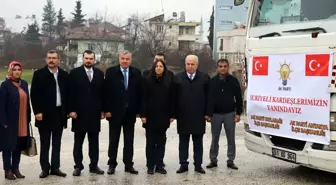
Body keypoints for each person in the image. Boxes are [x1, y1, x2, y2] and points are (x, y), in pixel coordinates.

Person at [30, 50, 68, 178]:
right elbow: (34, 95)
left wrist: (67, 111)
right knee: (45, 143)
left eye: (54, 58)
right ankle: (45, 168)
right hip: (44, 114)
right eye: (49, 58)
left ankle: (55, 167)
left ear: (58, 60)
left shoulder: (64, 75)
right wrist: (37, 112)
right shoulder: (39, 74)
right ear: (46, 60)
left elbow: (68, 95)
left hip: (59, 114)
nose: (51, 60)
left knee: (57, 143)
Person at [68, 50, 105, 176]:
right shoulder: (74, 73)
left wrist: (102, 110)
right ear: (82, 59)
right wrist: (71, 110)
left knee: (94, 142)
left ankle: (94, 165)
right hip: (79, 114)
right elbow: (70, 93)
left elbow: (102, 94)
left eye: (91, 58)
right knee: (78, 142)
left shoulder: (100, 74)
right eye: (86, 58)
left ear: (94, 60)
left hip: (94, 113)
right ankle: (78, 166)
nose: (88, 60)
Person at [104, 50, 142, 175]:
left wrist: (138, 110)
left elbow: (139, 94)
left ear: (130, 60)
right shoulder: (111, 72)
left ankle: (128, 164)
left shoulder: (136, 73)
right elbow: (106, 92)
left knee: (129, 140)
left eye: (127, 59)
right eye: (123, 58)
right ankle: (112, 164)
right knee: (113, 139)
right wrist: (107, 110)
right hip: (114, 112)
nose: (125, 61)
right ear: (119, 59)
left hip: (130, 112)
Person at [174, 55, 210, 174]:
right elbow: (173, 98)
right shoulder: (178, 78)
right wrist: (174, 114)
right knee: (183, 142)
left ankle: (198, 165)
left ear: (197, 65)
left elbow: (209, 98)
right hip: (183, 116)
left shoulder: (204, 78)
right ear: (185, 64)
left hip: (198, 116)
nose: (190, 66)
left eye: (192, 64)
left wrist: (207, 113)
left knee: (198, 143)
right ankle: (183, 164)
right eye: (188, 64)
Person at [206, 59, 242, 170]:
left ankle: (230, 160)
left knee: (231, 138)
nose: (223, 68)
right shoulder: (212, 82)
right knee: (214, 138)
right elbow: (209, 99)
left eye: (225, 66)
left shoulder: (234, 81)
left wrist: (238, 113)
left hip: (230, 114)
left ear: (228, 67)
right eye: (220, 66)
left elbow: (239, 98)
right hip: (215, 114)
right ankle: (213, 160)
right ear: (217, 67)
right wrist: (208, 114)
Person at [140, 60, 175, 175]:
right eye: (157, 66)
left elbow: (171, 99)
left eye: (161, 66)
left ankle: (159, 165)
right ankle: (150, 166)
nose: (159, 68)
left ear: (164, 68)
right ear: (154, 68)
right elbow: (143, 98)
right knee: (150, 142)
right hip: (150, 116)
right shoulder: (147, 80)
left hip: (163, 116)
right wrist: (143, 115)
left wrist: (171, 115)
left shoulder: (168, 81)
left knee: (161, 142)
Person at [0, 61, 31, 180]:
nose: (17, 72)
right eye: (15, 69)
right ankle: (7, 170)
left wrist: (28, 118)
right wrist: (3, 122)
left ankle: (15, 168)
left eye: (19, 69)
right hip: (9, 122)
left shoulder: (24, 84)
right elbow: (1, 105)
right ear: (10, 70)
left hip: (22, 120)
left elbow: (27, 103)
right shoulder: (5, 85)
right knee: (8, 146)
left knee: (18, 146)